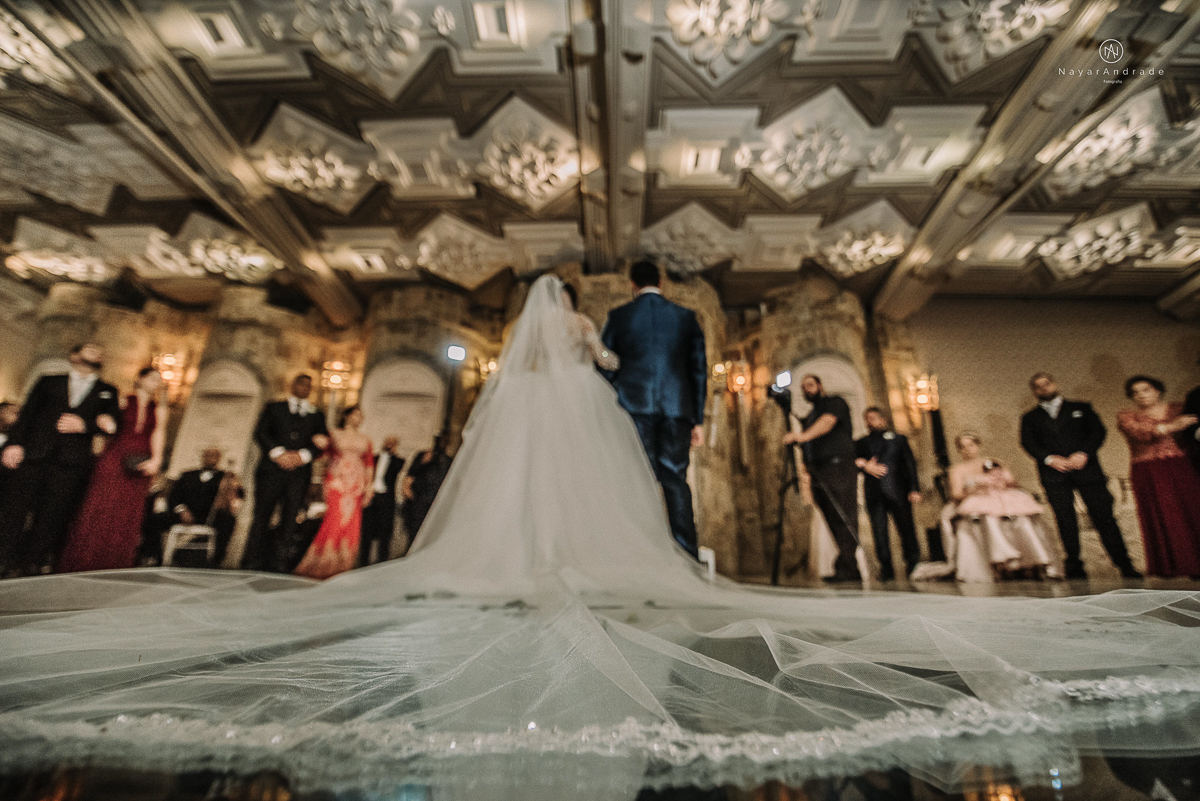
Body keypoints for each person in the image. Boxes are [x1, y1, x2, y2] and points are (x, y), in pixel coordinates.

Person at [6, 276, 1200, 796]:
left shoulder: (509, 388)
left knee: (507, 514)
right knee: (593, 502)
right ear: (564, 320)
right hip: (591, 430)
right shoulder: (581, 361)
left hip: (524, 446)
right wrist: (605, 362)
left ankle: (510, 571)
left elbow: (522, 419)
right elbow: (617, 376)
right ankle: (576, 568)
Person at [600, 260, 707, 557]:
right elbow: (698, 370)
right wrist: (697, 419)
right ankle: (688, 557)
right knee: (675, 480)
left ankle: (638, 554)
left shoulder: (620, 316)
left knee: (637, 479)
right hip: (677, 410)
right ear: (661, 283)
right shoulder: (686, 317)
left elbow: (606, 367)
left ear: (632, 285)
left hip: (634, 408)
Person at [0, 343, 120, 576]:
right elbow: (26, 416)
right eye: (91, 348)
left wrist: (85, 425)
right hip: (34, 455)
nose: (98, 351)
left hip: (70, 464)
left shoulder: (107, 390)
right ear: (75, 355)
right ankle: (3, 559)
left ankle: (29, 566)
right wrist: (13, 445)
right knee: (14, 511)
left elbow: (112, 423)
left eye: (100, 350)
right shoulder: (48, 381)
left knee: (50, 516)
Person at [1019, 372, 1141, 579]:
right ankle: (1074, 565)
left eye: (1046, 384)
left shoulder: (1082, 408)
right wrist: (1049, 459)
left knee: (1104, 517)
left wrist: (1083, 453)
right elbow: (1028, 443)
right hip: (1054, 475)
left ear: (1054, 384)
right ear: (1034, 391)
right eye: (1038, 386)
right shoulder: (1030, 418)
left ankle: (1124, 564)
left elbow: (1097, 433)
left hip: (1087, 471)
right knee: (1065, 520)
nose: (1043, 388)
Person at [58, 367, 167, 573]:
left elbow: (158, 434)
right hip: (116, 457)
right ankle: (85, 560)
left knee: (128, 512)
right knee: (102, 504)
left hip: (142, 461)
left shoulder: (159, 408)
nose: (156, 383)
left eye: (159, 380)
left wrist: (157, 460)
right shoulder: (122, 400)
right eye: (152, 378)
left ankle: (115, 562)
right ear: (140, 379)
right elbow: (106, 428)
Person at [934, 432, 1059, 582]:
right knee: (989, 519)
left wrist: (1000, 484)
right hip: (974, 503)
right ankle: (1000, 561)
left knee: (1022, 518)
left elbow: (1012, 482)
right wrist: (975, 489)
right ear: (959, 450)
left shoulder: (992, 462)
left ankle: (1032, 561)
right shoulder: (957, 469)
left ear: (978, 446)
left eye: (971, 445)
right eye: (963, 447)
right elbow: (956, 494)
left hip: (1001, 500)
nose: (968, 449)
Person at [1116, 376, 1200, 579]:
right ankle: (1172, 566)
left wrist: (1179, 424)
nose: (1141, 395)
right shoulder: (1128, 416)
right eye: (1135, 392)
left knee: (1192, 512)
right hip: (1148, 471)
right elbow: (1140, 433)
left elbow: (1192, 428)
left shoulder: (1177, 409)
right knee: (1162, 515)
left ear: (1157, 390)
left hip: (1181, 465)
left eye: (1146, 389)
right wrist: (1170, 427)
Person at [245, 374, 329, 572]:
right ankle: (251, 561)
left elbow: (322, 441)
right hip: (271, 471)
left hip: (299, 474)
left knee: (290, 518)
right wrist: (279, 453)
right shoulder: (275, 407)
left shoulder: (316, 414)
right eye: (301, 383)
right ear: (293, 385)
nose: (305, 388)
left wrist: (303, 455)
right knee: (261, 515)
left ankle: (279, 563)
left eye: (309, 385)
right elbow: (261, 433)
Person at [782, 375, 860, 582]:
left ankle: (849, 566)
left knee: (844, 514)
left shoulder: (835, 403)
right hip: (820, 470)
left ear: (820, 385)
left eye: (810, 384)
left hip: (838, 466)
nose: (807, 389)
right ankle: (848, 566)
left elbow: (827, 422)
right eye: (803, 387)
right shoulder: (810, 415)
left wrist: (802, 436)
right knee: (832, 516)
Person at [295, 405, 374, 579]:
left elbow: (369, 464)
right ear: (346, 415)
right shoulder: (334, 434)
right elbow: (323, 456)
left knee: (351, 523)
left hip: (356, 484)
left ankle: (343, 566)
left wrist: (368, 487)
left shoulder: (365, 439)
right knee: (335, 519)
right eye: (356, 414)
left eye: (361, 415)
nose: (359, 418)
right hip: (337, 480)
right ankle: (322, 563)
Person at [854, 407, 922, 581]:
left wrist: (914, 488)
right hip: (874, 493)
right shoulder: (861, 443)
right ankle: (886, 566)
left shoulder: (898, 440)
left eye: (875, 418)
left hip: (898, 490)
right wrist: (864, 465)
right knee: (879, 531)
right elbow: (852, 462)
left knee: (906, 528)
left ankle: (912, 561)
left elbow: (909, 465)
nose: (871, 421)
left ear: (883, 419)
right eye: (868, 418)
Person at [163, 447, 240, 567]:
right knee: (156, 518)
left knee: (228, 520)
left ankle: (215, 561)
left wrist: (231, 487)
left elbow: (236, 496)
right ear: (203, 457)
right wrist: (182, 510)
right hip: (185, 513)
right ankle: (153, 555)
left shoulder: (224, 477)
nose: (210, 458)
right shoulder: (187, 475)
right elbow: (173, 496)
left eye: (214, 455)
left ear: (219, 459)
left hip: (210, 516)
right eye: (208, 455)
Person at [399, 434, 451, 547]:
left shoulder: (447, 461)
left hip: (435, 502)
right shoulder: (424, 456)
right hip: (419, 500)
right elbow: (410, 475)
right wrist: (408, 492)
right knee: (414, 534)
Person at [360, 436, 404, 567]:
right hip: (371, 497)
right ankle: (363, 563)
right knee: (366, 532)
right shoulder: (374, 458)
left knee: (385, 533)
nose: (389, 444)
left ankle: (381, 563)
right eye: (387, 442)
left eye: (392, 443)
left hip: (386, 499)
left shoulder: (398, 461)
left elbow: (397, 468)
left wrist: (393, 452)